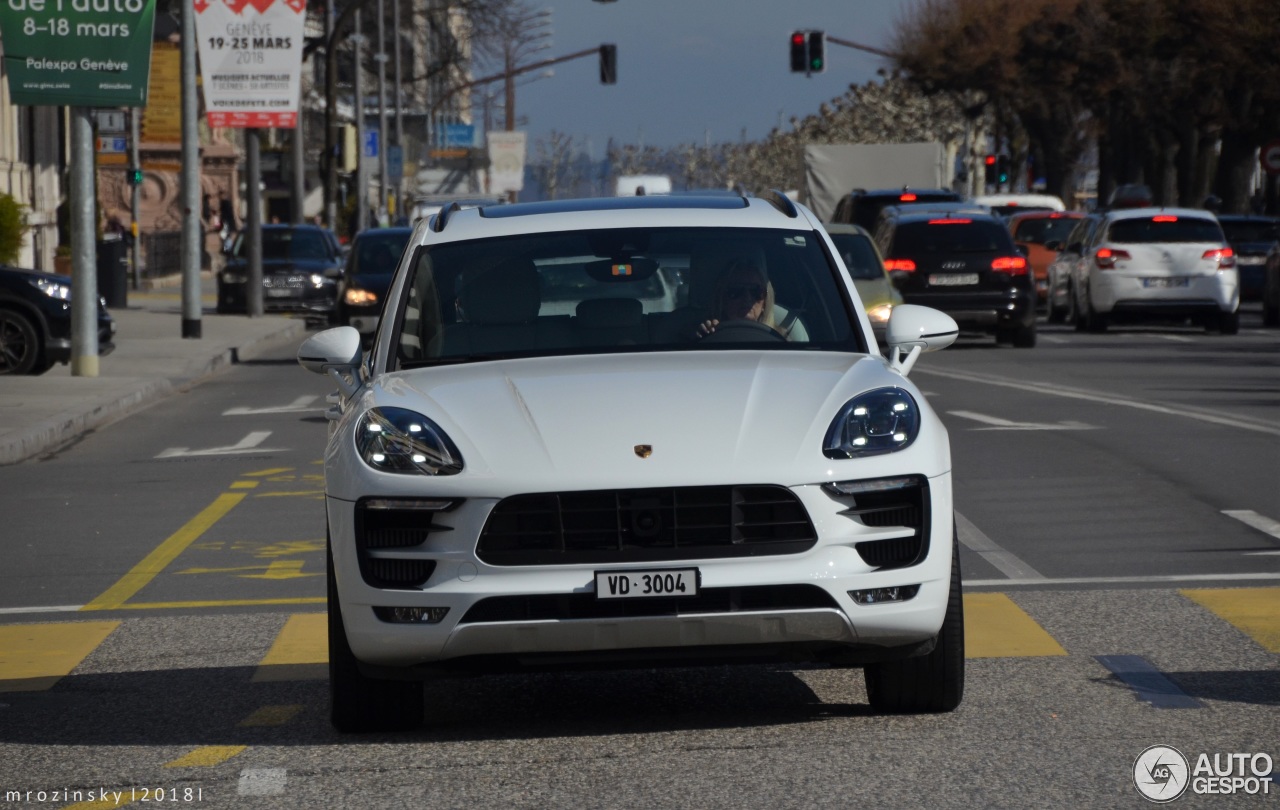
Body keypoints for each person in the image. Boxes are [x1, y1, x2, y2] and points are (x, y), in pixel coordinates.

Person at [696, 258, 777, 338]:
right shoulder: (708, 333)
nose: (747, 298)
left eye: (756, 291)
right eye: (735, 290)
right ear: (722, 300)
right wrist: (707, 339)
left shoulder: (781, 339)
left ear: (765, 302)